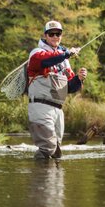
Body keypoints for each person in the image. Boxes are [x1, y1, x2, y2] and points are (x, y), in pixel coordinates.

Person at [27, 20, 87, 159]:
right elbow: (46, 60)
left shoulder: (64, 61)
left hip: (58, 110)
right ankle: (39, 179)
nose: (55, 37)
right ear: (45, 36)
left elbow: (70, 88)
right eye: (51, 34)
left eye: (58, 34)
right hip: (40, 107)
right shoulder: (37, 53)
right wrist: (66, 53)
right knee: (47, 148)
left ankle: (54, 181)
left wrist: (79, 79)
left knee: (56, 152)